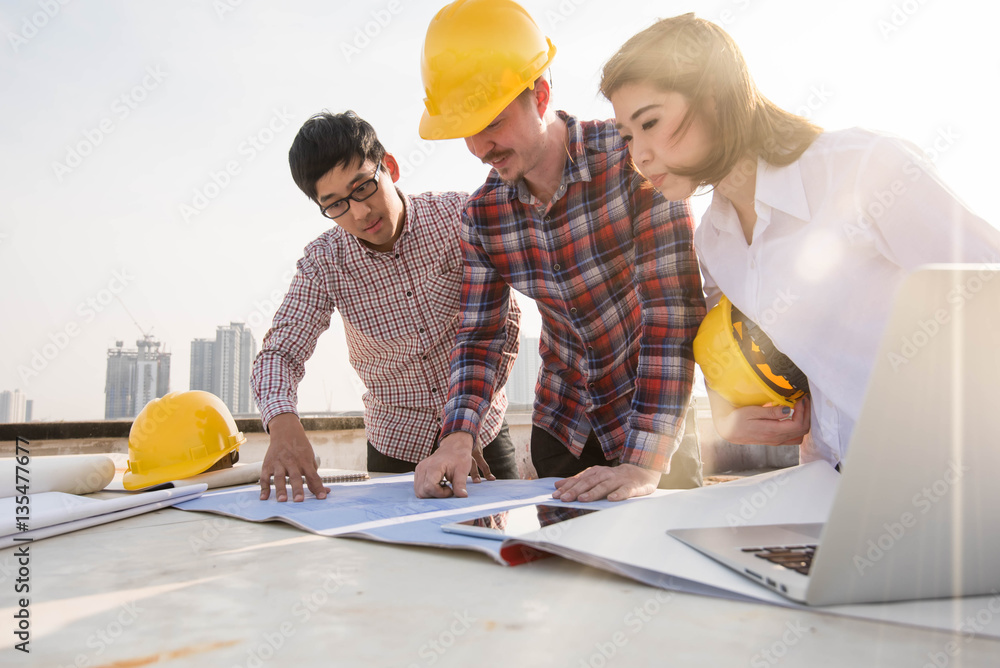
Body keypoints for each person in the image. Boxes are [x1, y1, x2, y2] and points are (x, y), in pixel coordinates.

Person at [601, 13, 1000, 468]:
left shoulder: (867, 169)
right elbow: (732, 350)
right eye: (627, 136)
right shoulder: (713, 239)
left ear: (714, 97)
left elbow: (990, 294)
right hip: (826, 480)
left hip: (950, 478)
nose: (639, 155)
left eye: (649, 123)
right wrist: (731, 411)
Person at [412, 0, 706, 501]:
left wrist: (640, 465)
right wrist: (458, 433)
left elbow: (672, 312)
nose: (481, 147)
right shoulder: (483, 216)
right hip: (562, 425)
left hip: (651, 418)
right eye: (467, 131)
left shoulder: (635, 160)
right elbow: (481, 336)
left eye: (493, 122)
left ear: (541, 95)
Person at [252, 110, 521, 502]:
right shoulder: (324, 262)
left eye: (362, 187)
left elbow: (504, 326)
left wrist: (462, 427)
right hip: (396, 449)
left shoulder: (458, 217)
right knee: (400, 561)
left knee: (505, 549)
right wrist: (283, 424)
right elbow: (279, 352)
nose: (359, 213)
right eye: (336, 205)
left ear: (389, 166)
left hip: (482, 435)